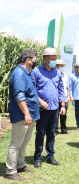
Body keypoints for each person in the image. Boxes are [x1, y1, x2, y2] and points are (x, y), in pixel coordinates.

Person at [5, 50, 39, 181]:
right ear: (29, 60)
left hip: (29, 115)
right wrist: (27, 114)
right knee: (16, 143)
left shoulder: (26, 73)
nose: (36, 62)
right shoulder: (19, 74)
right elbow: (19, 96)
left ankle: (20, 164)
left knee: (24, 142)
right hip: (22, 115)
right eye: (35, 59)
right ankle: (11, 170)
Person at [32, 48, 65, 168]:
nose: (55, 61)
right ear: (45, 59)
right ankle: (37, 157)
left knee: (51, 133)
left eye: (55, 59)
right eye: (52, 59)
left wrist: (62, 105)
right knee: (40, 133)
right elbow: (32, 90)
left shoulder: (57, 72)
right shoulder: (36, 72)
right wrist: (40, 101)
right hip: (42, 109)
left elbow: (61, 89)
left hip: (55, 107)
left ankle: (50, 156)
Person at [55, 60, 70, 135]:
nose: (60, 67)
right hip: (56, 98)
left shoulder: (64, 75)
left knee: (64, 114)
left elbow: (67, 87)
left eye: (61, 66)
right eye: (58, 66)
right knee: (56, 115)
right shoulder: (54, 75)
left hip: (64, 98)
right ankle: (55, 130)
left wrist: (68, 96)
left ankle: (64, 129)